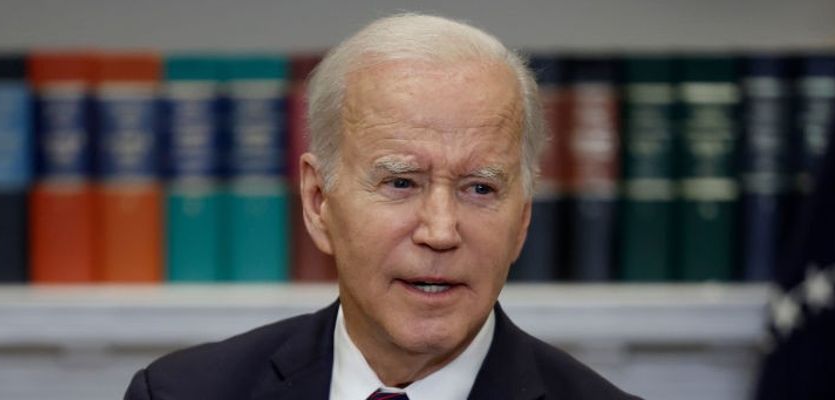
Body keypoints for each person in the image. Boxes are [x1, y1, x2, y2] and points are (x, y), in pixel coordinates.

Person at [125, 13, 638, 400]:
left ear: (522, 219)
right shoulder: (178, 393)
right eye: (401, 182)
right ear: (318, 201)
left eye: (480, 189)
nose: (440, 231)